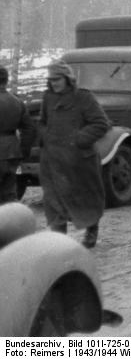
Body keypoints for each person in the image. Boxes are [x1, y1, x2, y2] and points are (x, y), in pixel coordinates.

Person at [39, 60, 110, 247]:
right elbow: (43, 122)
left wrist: (78, 139)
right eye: (51, 80)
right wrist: (46, 138)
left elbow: (101, 124)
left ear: (68, 79)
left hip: (79, 161)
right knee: (53, 199)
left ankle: (91, 230)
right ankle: (59, 238)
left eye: (57, 79)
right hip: (53, 161)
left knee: (86, 198)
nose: (54, 83)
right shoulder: (48, 97)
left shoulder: (83, 97)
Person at [0, 66, 35, 204]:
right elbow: (30, 129)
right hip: (12, 153)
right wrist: (23, 152)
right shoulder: (17, 102)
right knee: (9, 196)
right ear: (6, 81)